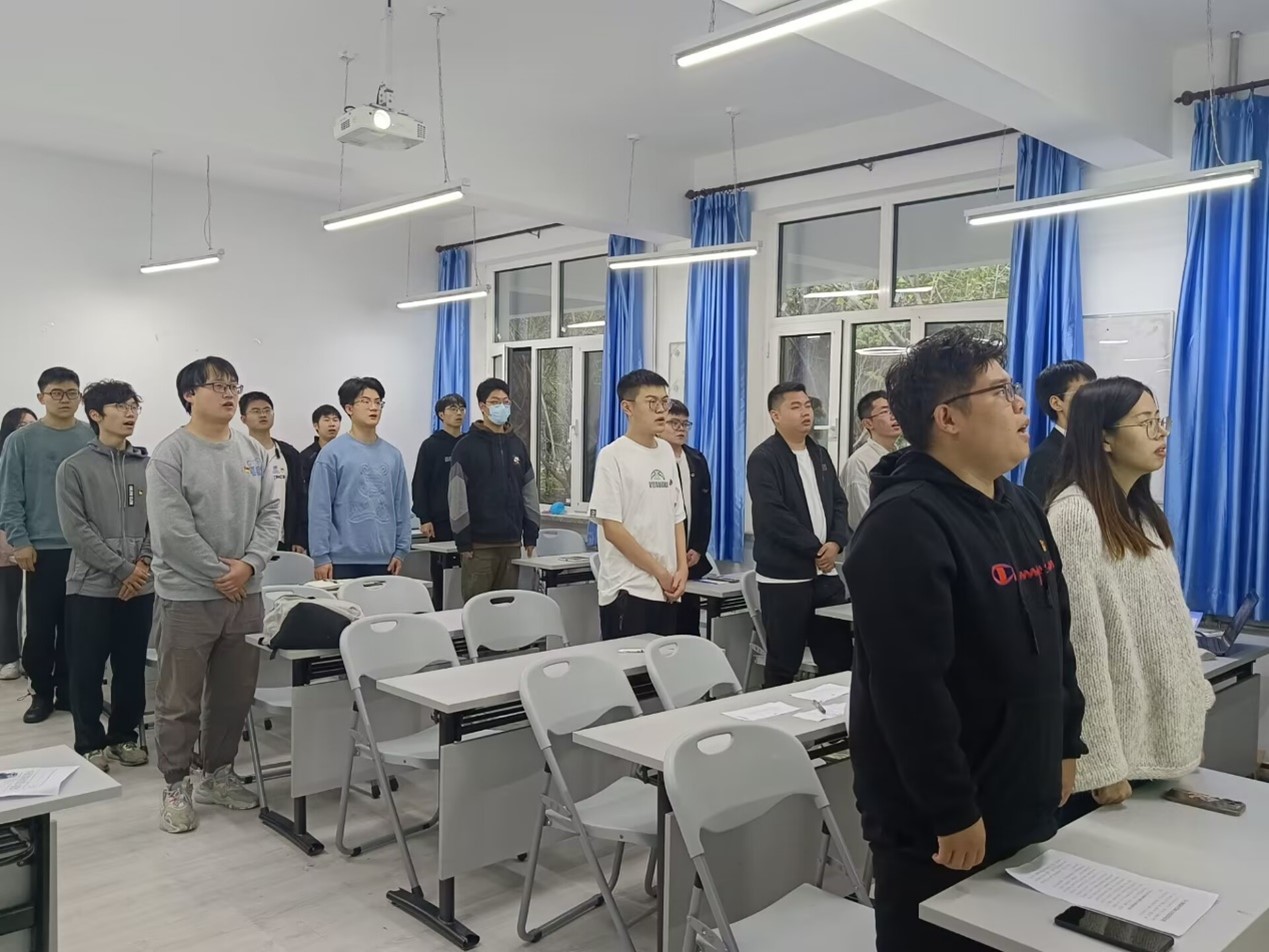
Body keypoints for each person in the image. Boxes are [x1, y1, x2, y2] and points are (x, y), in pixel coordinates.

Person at [844, 329, 1085, 952]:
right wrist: (951, 808)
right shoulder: (903, 524)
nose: (1020, 404)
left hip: (1021, 793)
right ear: (946, 418)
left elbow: (1057, 637)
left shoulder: (1019, 505)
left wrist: (1066, 743)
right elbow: (908, 693)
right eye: (1000, 392)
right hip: (942, 825)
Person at [1047, 377, 1212, 823]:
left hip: (1153, 745)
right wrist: (1102, 761)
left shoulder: (1141, 513)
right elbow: (1081, 650)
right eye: (1145, 423)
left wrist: (1189, 714)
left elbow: (1172, 627)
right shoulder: (1075, 515)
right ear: (1103, 438)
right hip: (1115, 765)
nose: (1161, 433)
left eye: (1160, 420)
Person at [148, 356, 281, 834]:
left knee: (233, 695)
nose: (228, 394)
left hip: (246, 593)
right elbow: (172, 530)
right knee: (178, 699)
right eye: (217, 386)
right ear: (189, 394)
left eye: (233, 386)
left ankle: (218, 773)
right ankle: (175, 783)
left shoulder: (253, 451)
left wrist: (249, 566)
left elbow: (271, 513)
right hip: (188, 595)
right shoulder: (171, 454)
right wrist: (220, 573)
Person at [56, 380, 153, 772]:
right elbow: (77, 532)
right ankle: (89, 743)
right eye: (120, 406)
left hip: (140, 586)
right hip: (90, 587)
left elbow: (159, 522)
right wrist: (124, 569)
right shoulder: (74, 468)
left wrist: (142, 565)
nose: (130, 413)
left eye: (133, 406)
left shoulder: (149, 466)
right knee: (87, 670)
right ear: (96, 414)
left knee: (131, 668)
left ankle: (123, 737)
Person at [0, 368, 94, 723]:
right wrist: (20, 541)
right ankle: (41, 693)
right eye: (56, 393)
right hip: (41, 550)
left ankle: (68, 692)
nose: (64, 399)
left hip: (85, 549)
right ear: (41, 397)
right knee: (41, 629)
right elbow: (10, 495)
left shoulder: (91, 435)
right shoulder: (21, 441)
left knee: (77, 627)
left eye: (71, 393)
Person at [746, 383, 851, 686]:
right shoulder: (764, 458)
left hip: (825, 575)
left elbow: (839, 503)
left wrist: (836, 542)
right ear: (775, 415)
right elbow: (773, 515)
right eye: (796, 407)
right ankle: (773, 715)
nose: (806, 412)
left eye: (808, 406)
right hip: (785, 579)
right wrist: (816, 549)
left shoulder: (820, 454)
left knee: (838, 658)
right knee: (784, 662)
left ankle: (836, 715)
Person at [590, 372, 688, 639]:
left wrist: (681, 568)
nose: (661, 410)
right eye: (652, 402)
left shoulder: (666, 452)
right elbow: (613, 529)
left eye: (665, 402)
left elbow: (677, 516)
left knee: (661, 664)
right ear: (628, 407)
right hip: (628, 589)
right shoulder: (612, 456)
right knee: (627, 665)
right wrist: (660, 572)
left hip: (666, 588)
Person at [308, 377, 411, 582]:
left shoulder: (393, 455)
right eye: (365, 401)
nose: (374, 407)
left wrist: (401, 550)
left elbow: (401, 505)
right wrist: (320, 556)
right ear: (349, 408)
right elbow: (319, 509)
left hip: (385, 559)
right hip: (340, 560)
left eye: (378, 402)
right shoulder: (332, 454)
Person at [448, 377, 540, 601]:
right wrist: (463, 540)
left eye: (505, 402)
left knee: (506, 608)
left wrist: (531, 534)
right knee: (477, 608)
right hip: (479, 547)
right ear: (483, 407)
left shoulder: (517, 445)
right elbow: (457, 496)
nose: (502, 406)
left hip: (511, 543)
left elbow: (529, 492)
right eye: (495, 402)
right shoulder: (465, 447)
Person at [663, 399, 712, 635]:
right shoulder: (655, 459)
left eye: (685, 424)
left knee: (688, 625)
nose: (681, 429)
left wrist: (698, 547)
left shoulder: (696, 459)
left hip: (690, 557)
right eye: (674, 423)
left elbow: (705, 508)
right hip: (663, 557)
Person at [413, 393, 466, 601]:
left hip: (469, 521)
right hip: (440, 522)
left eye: (461, 408)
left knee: (466, 574)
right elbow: (420, 483)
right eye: (453, 409)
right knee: (441, 575)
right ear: (441, 415)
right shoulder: (431, 445)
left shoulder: (469, 443)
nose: (458, 413)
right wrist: (424, 518)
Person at [239, 392, 307, 553]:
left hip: (283, 539)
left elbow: (300, 496)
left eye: (267, 410)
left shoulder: (289, 454)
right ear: (243, 418)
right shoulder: (237, 452)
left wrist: (299, 537)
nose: (263, 415)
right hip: (246, 541)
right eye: (256, 411)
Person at [1023, 360, 1096, 504]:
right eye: (1085, 393)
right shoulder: (1043, 459)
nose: (1094, 400)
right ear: (1056, 403)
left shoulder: (1099, 446)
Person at [0, 407, 36, 681]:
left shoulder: (37, 460)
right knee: (7, 603)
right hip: (6, 542)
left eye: (33, 424)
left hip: (35, 542)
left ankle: (29, 657)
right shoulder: (5, 459)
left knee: (33, 607)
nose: (30, 430)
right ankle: (8, 658)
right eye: (24, 425)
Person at [841, 389, 902, 531]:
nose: (894, 416)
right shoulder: (859, 462)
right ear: (868, 423)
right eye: (885, 411)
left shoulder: (900, 456)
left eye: (894, 409)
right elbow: (861, 518)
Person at [299, 404, 341, 490]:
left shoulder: (345, 452)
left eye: (335, 420)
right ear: (316, 425)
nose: (332, 424)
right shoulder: (306, 456)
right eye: (326, 420)